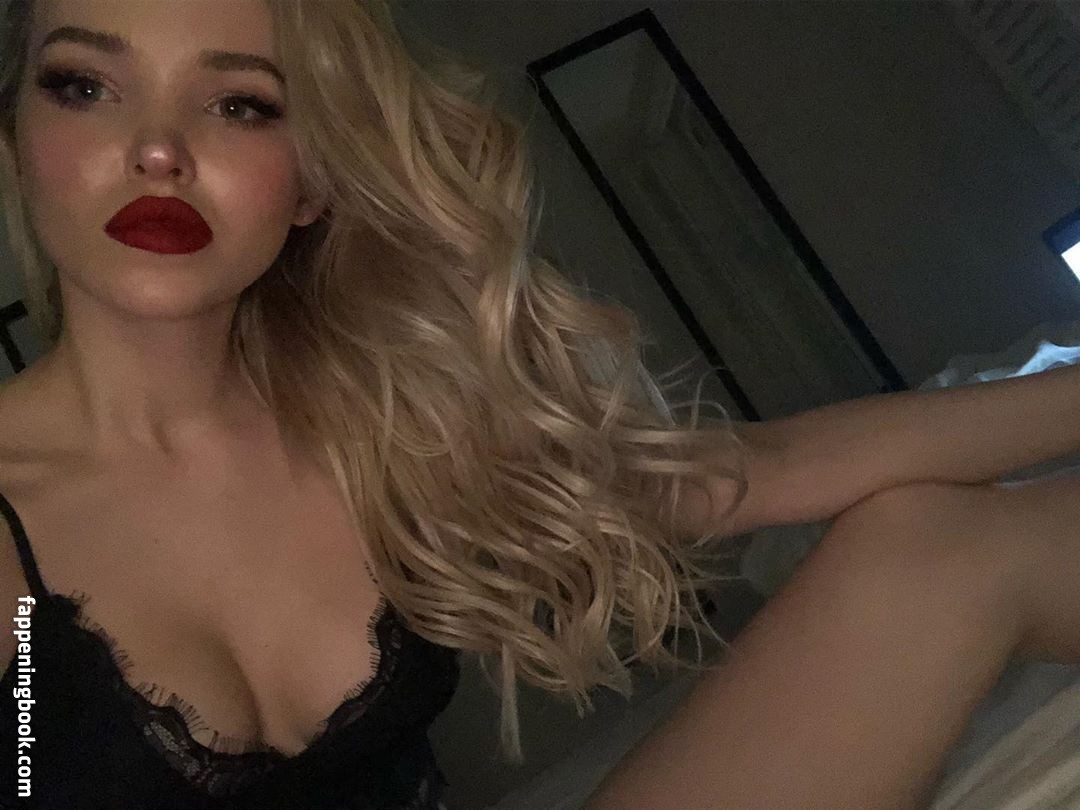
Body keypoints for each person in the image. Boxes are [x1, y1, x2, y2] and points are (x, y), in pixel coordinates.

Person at [0, 0, 1077, 807]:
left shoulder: (377, 424)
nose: (158, 149)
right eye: (84, 86)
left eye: (241, 104)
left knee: (934, 549)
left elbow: (761, 471)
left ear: (314, 182)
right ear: (14, 138)